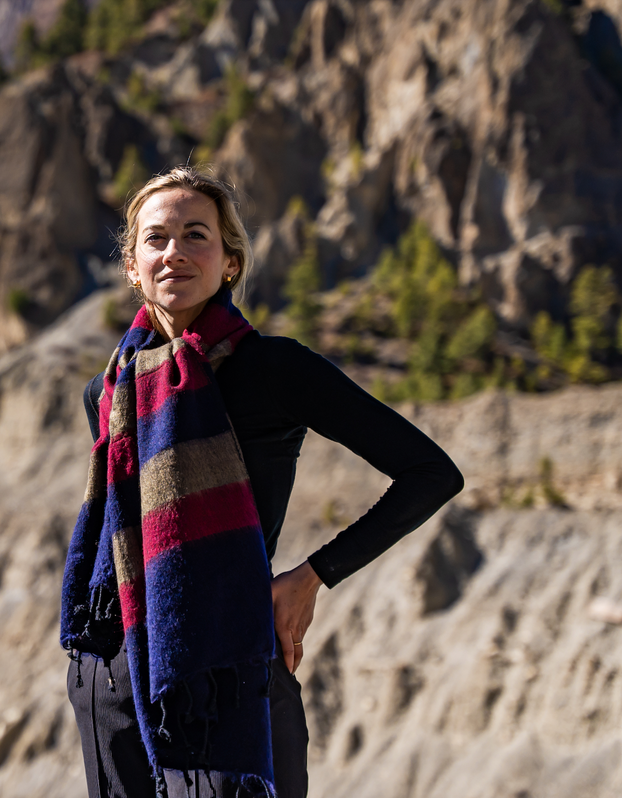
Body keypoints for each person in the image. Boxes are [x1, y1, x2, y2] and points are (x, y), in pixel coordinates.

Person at [60, 166, 464, 798]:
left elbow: (431, 474)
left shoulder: (274, 369)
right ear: (133, 267)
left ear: (229, 262)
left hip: (233, 664)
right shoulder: (107, 392)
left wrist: (312, 577)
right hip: (112, 679)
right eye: (156, 238)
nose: (175, 253)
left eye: (197, 235)